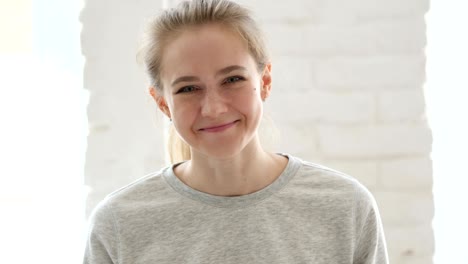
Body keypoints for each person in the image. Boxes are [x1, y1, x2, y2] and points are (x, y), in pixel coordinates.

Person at [83, 0, 389, 263]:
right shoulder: (119, 224)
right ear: (163, 103)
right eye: (188, 88)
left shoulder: (346, 207)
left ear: (265, 81)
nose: (213, 108)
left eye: (232, 80)